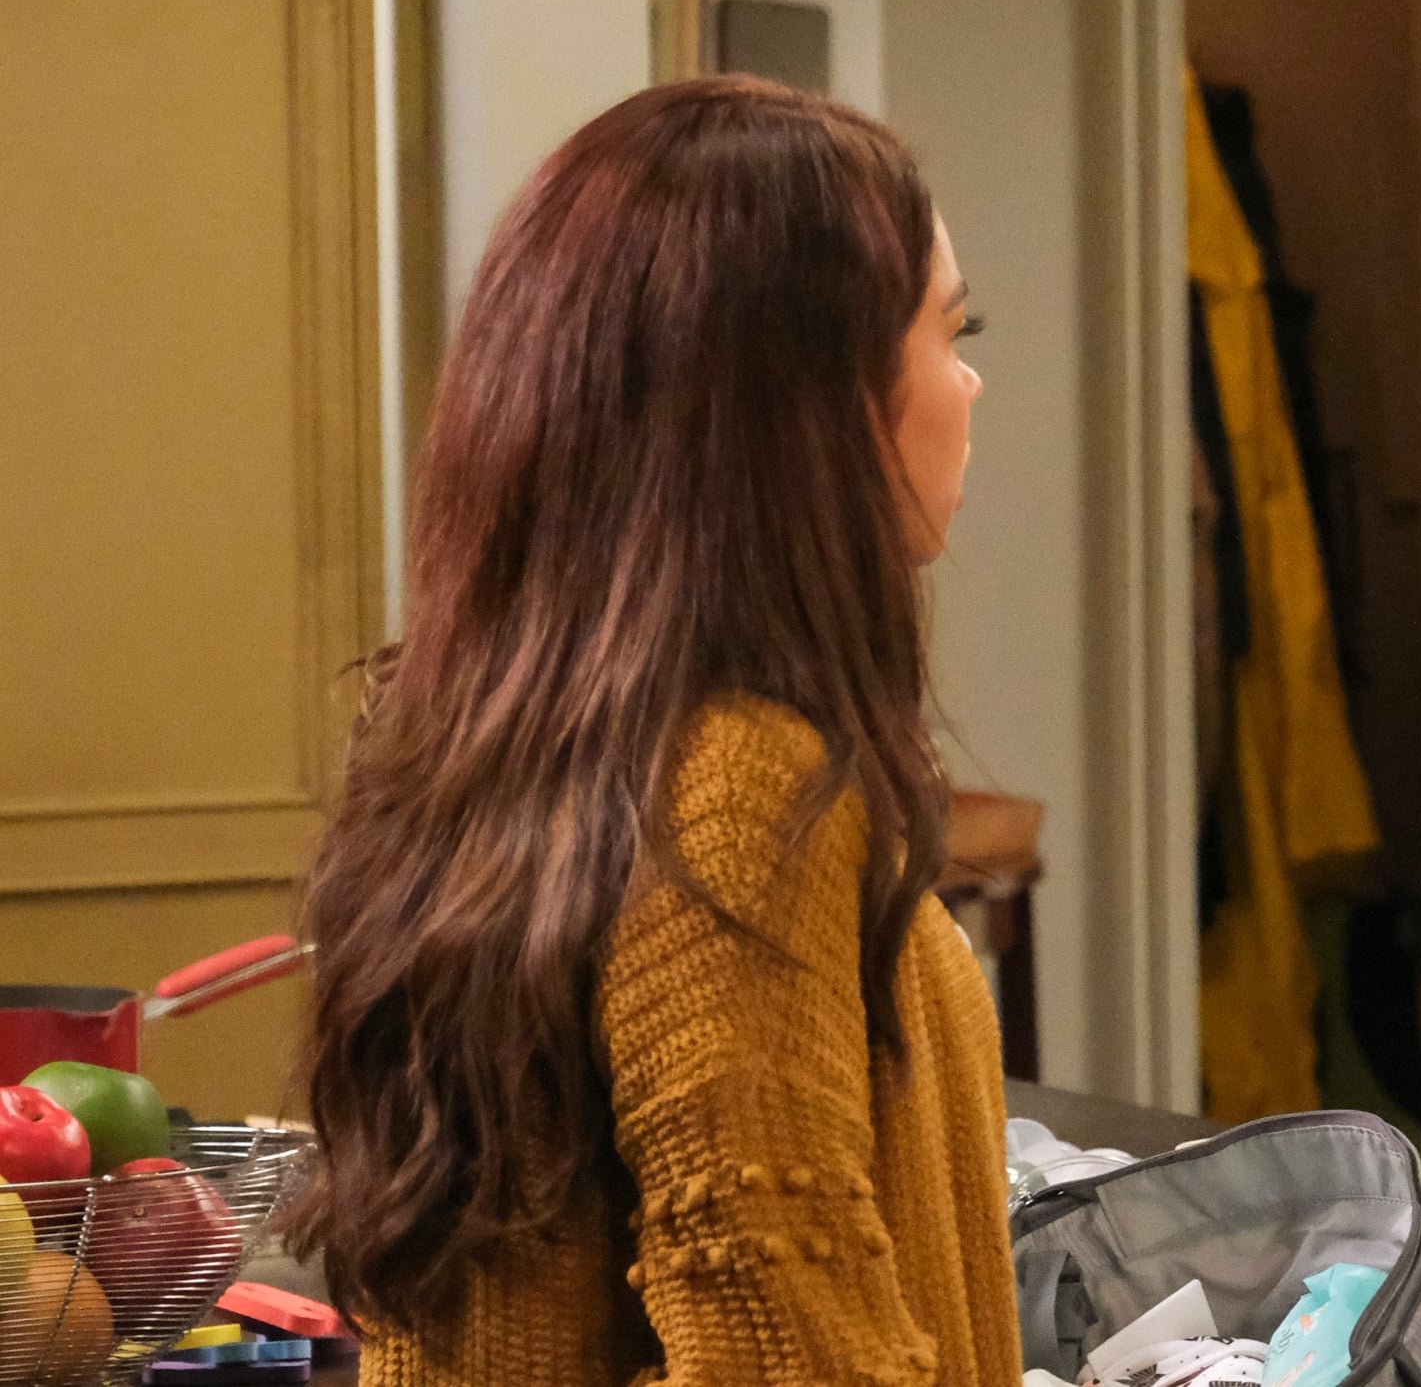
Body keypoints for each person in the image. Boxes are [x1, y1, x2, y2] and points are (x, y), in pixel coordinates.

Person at [285, 76, 1016, 1384]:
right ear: (812, 403)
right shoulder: (744, 791)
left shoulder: (483, 738)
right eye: (947, 332)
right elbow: (791, 1370)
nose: (970, 382)